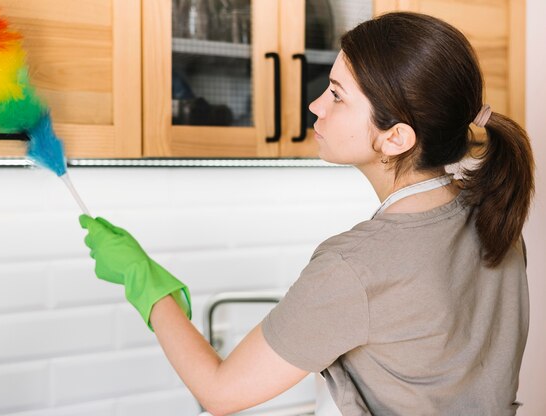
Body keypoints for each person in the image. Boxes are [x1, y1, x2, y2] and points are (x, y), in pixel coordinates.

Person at [79, 12, 534, 416]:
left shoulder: (355, 267)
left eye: (336, 95)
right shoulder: (496, 219)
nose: (315, 105)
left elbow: (220, 393)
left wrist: (146, 283)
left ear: (395, 138)